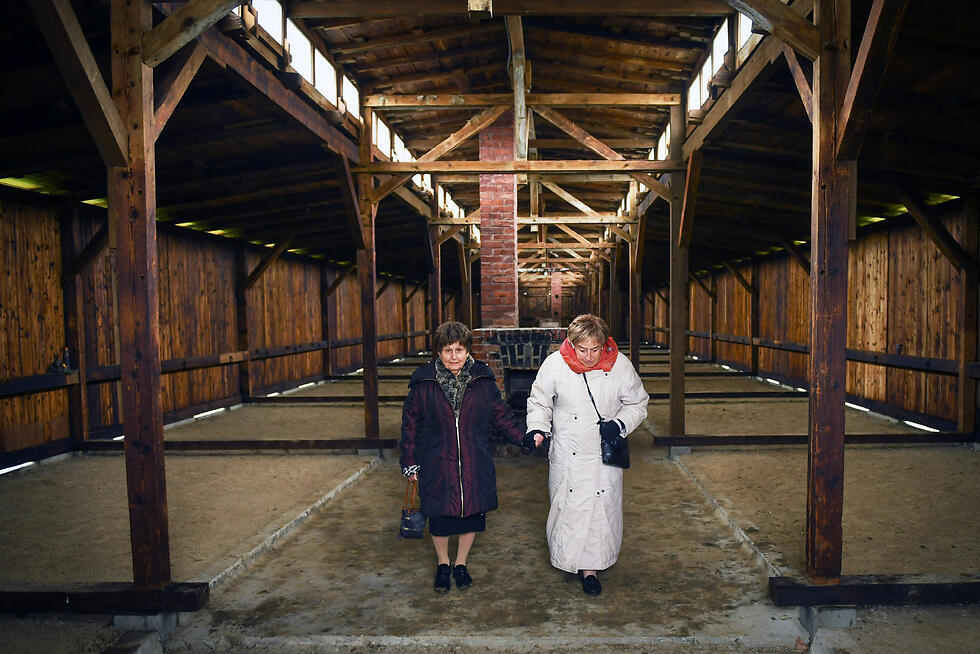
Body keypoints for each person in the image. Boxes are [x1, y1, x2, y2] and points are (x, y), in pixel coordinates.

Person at [400, 320, 538, 593]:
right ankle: (443, 564)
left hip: (474, 459)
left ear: (467, 351)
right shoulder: (423, 382)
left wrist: (523, 436)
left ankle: (460, 564)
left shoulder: (482, 380)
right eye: (448, 350)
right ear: (438, 352)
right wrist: (410, 461)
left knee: (472, 514)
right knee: (439, 517)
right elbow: (410, 425)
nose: (454, 356)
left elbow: (500, 415)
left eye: (459, 350)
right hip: (436, 460)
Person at [525, 314, 649, 596]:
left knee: (599, 510)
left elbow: (638, 403)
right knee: (567, 506)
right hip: (568, 453)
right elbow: (539, 401)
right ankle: (567, 558)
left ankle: (591, 569)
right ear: (571, 343)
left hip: (601, 455)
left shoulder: (619, 365)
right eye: (583, 350)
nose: (590, 356)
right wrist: (537, 428)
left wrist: (619, 424)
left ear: (604, 345)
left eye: (595, 349)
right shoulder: (555, 365)